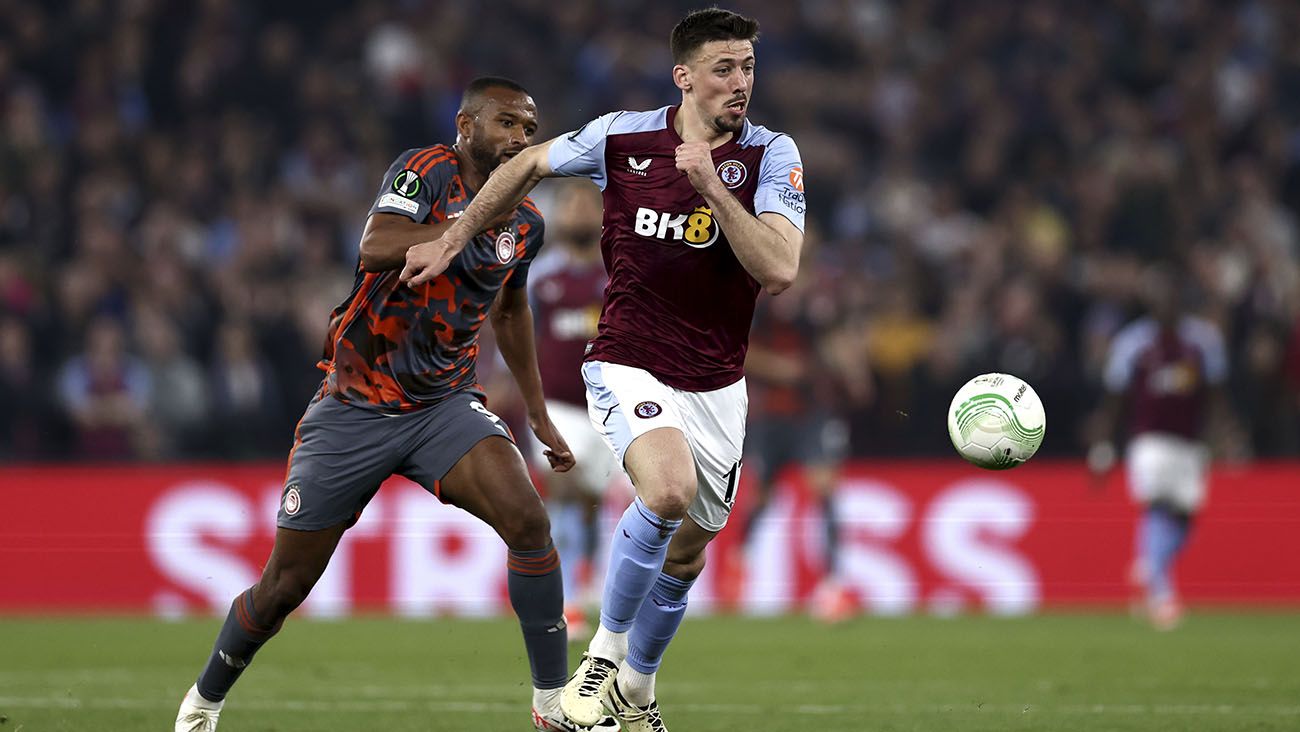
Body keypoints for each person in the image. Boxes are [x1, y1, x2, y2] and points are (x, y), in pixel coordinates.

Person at [401, 10, 805, 731]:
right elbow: (525, 164)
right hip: (627, 359)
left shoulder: (772, 154)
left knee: (685, 558)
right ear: (684, 76)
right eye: (723, 68)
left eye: (747, 66)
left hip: (718, 381)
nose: (740, 82)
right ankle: (603, 660)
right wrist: (457, 233)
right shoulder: (621, 136)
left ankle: (640, 688)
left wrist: (712, 188)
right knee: (668, 489)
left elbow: (778, 268)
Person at [174, 77, 617, 732]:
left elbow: (512, 310)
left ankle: (552, 704)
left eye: (530, 128)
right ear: (467, 125)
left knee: (529, 522)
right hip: (355, 405)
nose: (523, 138)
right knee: (282, 589)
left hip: (444, 406)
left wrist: (539, 411)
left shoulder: (526, 221)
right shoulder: (425, 170)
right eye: (508, 123)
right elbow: (376, 246)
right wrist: (463, 228)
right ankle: (203, 702)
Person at [1089, 264, 1232, 631]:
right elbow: (1115, 398)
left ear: (1181, 300)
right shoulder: (1133, 342)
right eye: (1158, 296)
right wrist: (1103, 443)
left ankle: (1149, 566)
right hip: (1149, 440)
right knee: (1155, 506)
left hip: (1189, 444)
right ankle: (1161, 594)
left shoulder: (1203, 341)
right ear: (1149, 302)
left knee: (1185, 519)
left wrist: (1222, 436)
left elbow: (1215, 394)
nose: (1165, 303)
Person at [524, 180, 621, 640]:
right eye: (572, 206)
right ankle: (565, 599)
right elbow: (517, 333)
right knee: (561, 488)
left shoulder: (619, 271)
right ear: (559, 218)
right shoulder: (539, 275)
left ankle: (585, 585)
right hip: (555, 405)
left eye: (587, 205)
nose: (579, 214)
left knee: (591, 501)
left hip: (608, 405)